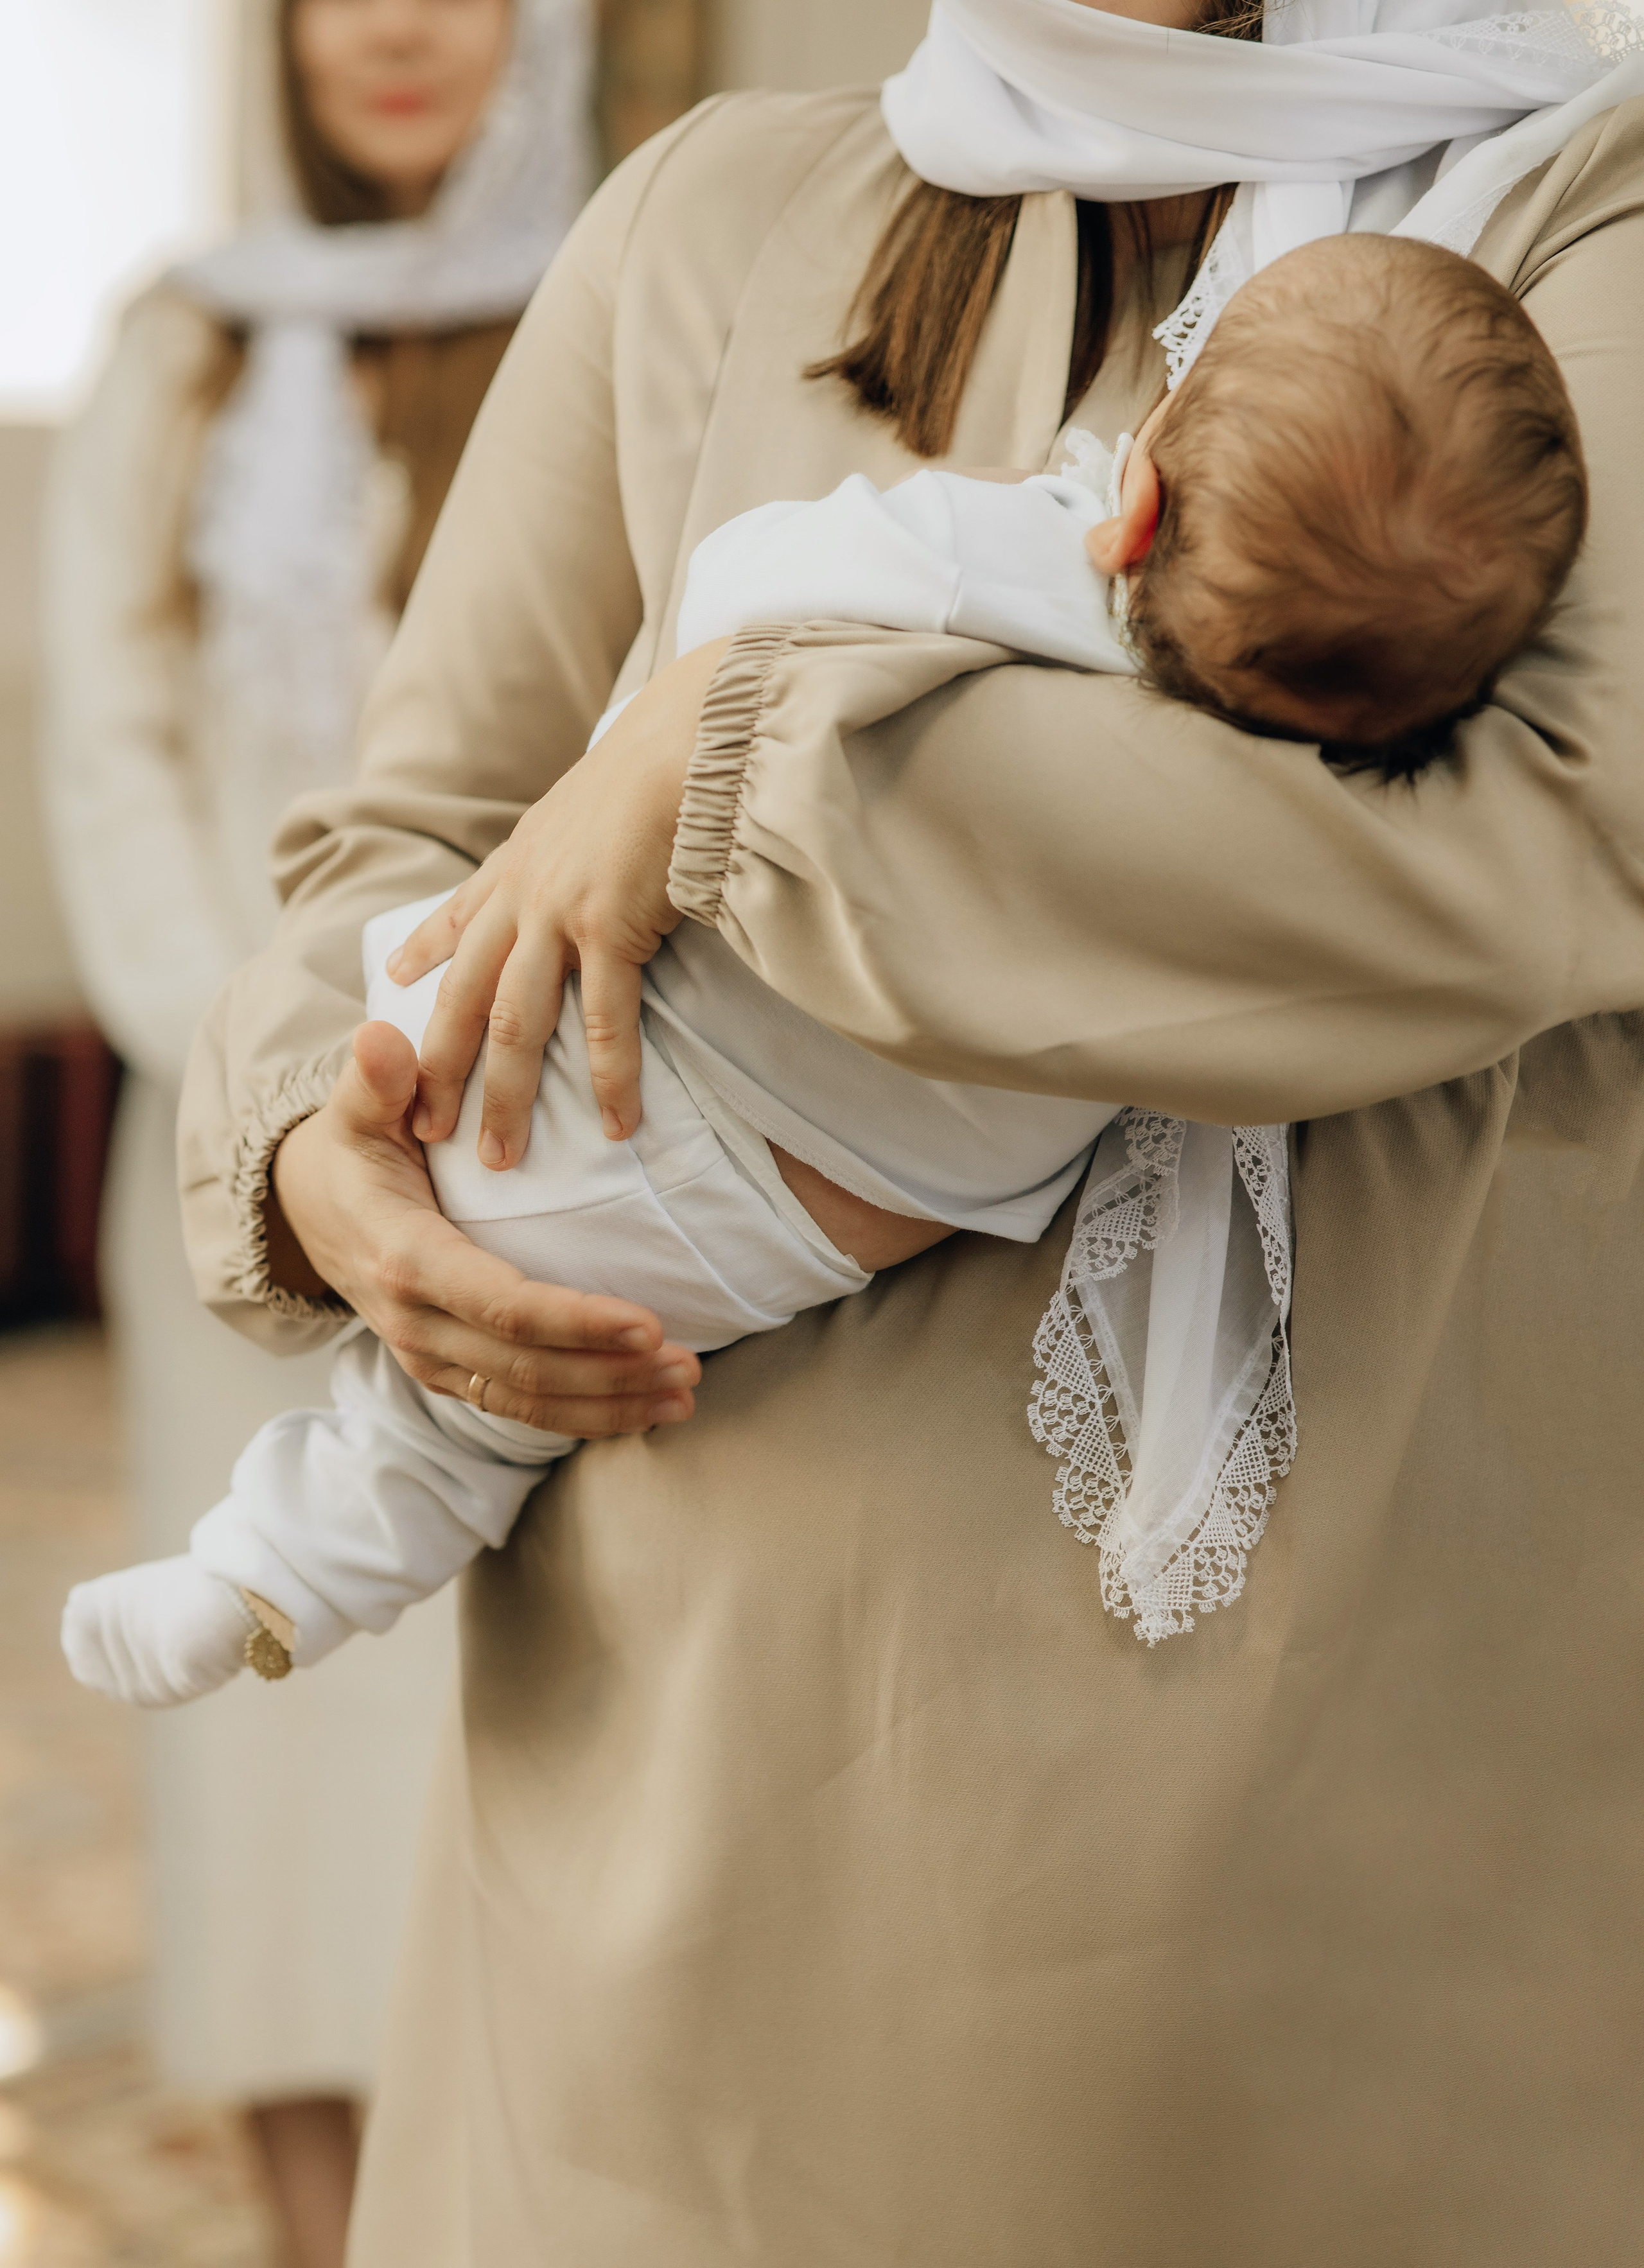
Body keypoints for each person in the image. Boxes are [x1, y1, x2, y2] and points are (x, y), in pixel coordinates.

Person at [179, 0, 1644, 2254]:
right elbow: (405, 837)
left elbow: (1518, 857)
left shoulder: (1599, 192)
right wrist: (321, 1155)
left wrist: (727, 746)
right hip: (660, 1895)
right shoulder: (710, 220)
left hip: (1355, 1929)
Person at [60, 225, 1591, 1695]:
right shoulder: (1298, 815)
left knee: (466, 1293)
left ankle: (256, 1569)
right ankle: (275, 1577)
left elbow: (752, 584)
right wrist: (299, 1177)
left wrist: (710, 707)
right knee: (476, 1417)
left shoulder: (1025, 554)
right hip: (777, 1241)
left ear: (1133, 505)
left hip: (593, 1078)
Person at [39, 0, 588, 2260]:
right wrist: (276, 1103)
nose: (396, 29)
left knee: (511, 1731)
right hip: (235, 1166)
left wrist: (473, 1075)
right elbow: (111, 747)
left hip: (550, 1124)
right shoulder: (172, 348)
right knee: (270, 1753)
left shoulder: (609, 299)